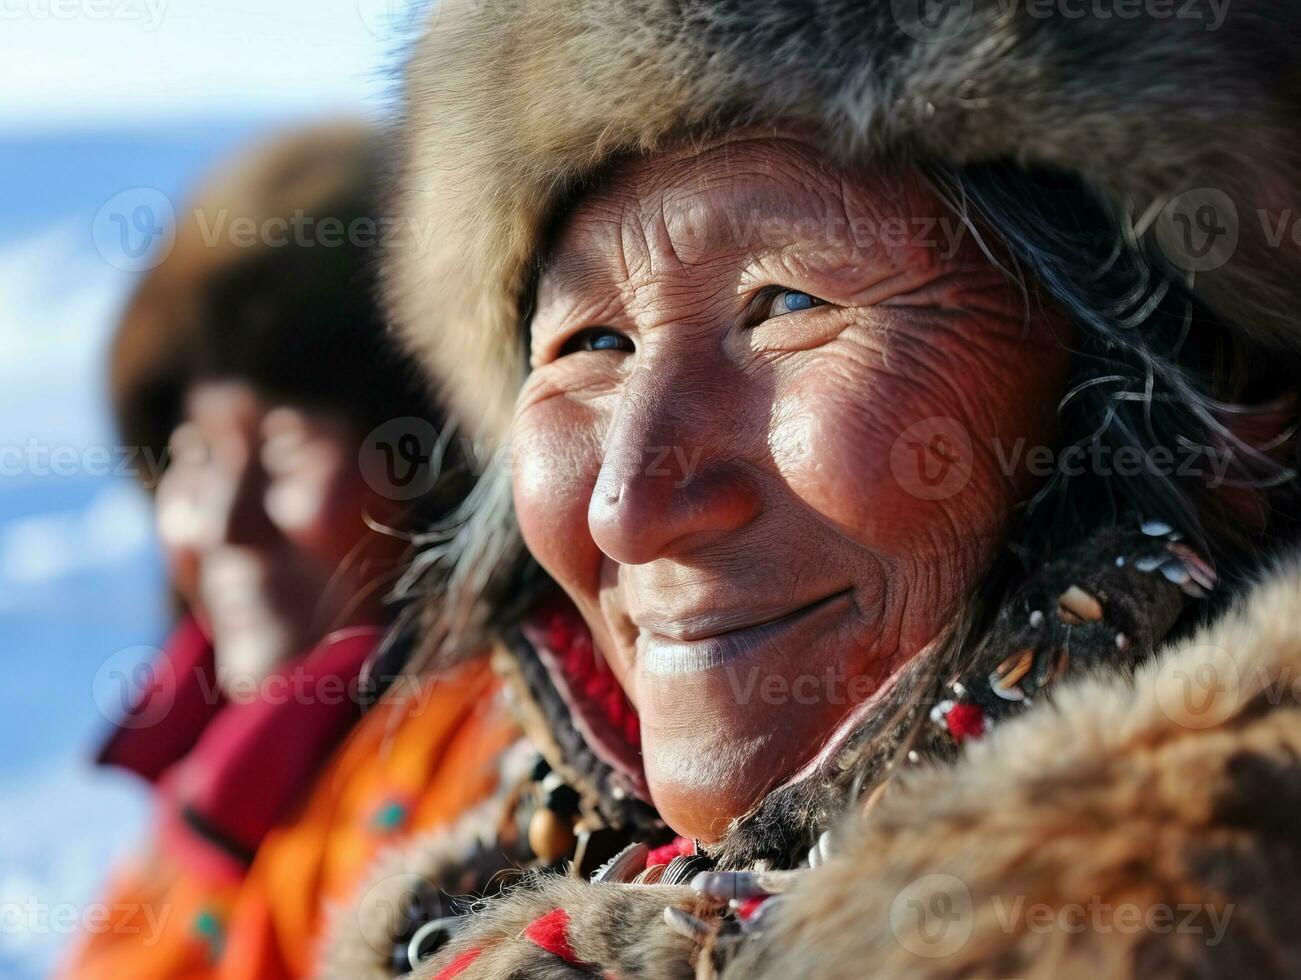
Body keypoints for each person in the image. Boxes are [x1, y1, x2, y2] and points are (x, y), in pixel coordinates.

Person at [323, 2, 1301, 977]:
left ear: (1167, 387)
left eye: (788, 304)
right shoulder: (446, 919)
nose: (627, 505)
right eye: (592, 343)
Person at [62, 122, 520, 980]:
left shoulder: (489, 765)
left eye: (280, 452)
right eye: (195, 457)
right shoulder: (229, 757)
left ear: (438, 474)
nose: (225, 521)